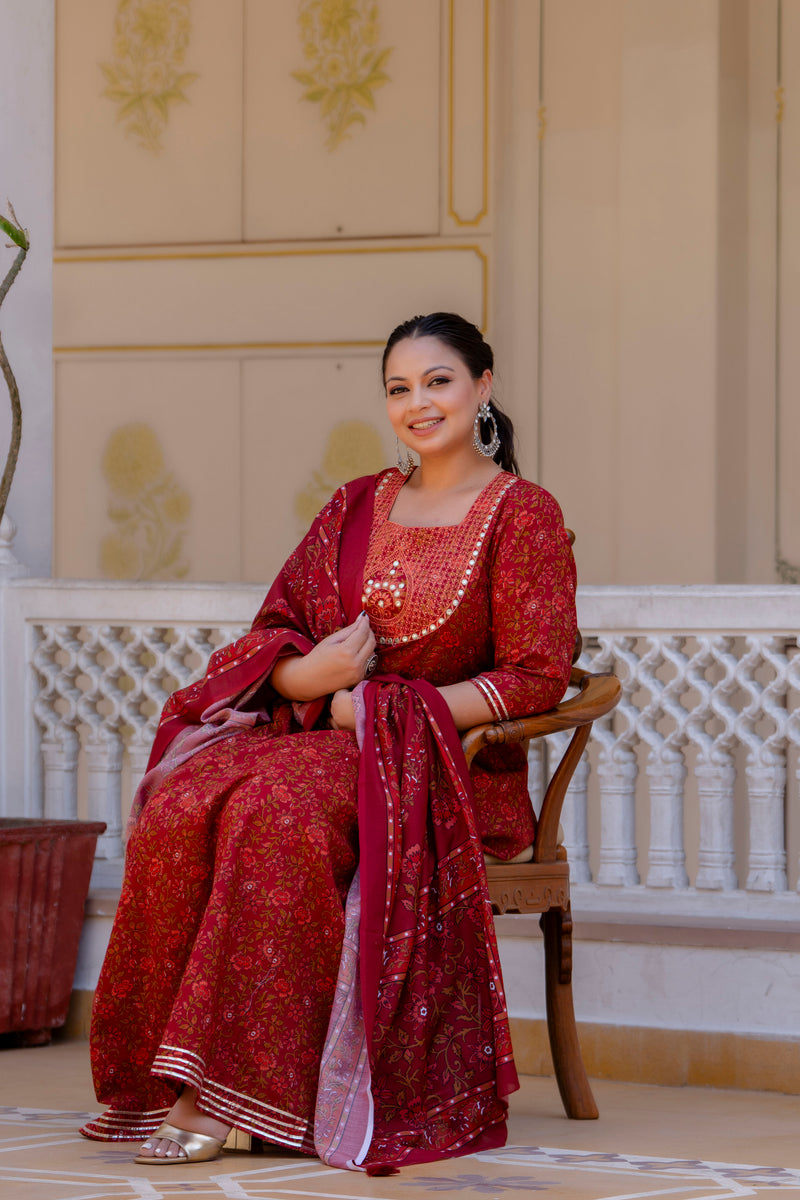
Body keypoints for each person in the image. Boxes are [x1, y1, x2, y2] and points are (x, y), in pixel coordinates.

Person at [80, 312, 577, 1173]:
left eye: (438, 381)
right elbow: (277, 625)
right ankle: (157, 1079)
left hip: (447, 767)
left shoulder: (520, 515)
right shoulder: (356, 504)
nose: (418, 403)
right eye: (398, 388)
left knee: (276, 814)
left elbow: (537, 674)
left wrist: (391, 710)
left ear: (482, 387)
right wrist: (307, 681)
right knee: (182, 795)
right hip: (334, 740)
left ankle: (234, 1096)